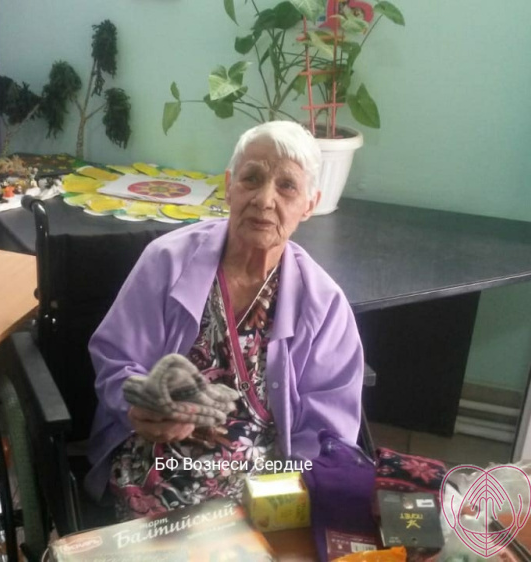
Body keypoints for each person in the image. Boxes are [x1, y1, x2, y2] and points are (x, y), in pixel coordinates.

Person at [85, 121, 364, 519]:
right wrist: (141, 402)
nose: (264, 199)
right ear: (229, 186)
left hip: (263, 482)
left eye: (287, 186)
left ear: (309, 204)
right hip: (158, 463)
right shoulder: (166, 261)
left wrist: (289, 499)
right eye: (252, 179)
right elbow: (116, 360)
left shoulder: (324, 304)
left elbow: (326, 436)